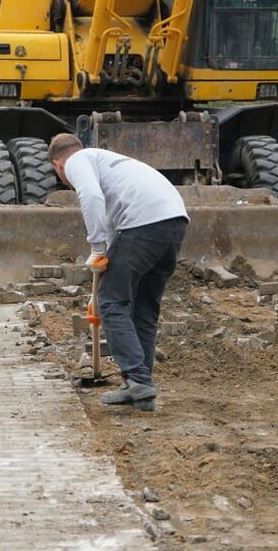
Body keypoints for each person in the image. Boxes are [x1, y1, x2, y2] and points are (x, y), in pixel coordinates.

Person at [47, 133, 189, 412]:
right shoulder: (108, 164)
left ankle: (136, 379)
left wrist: (97, 247)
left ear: (57, 165)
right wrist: (106, 263)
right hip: (174, 223)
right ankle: (142, 387)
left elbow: (90, 196)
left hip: (144, 224)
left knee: (111, 302)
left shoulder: (76, 160)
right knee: (143, 309)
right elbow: (115, 231)